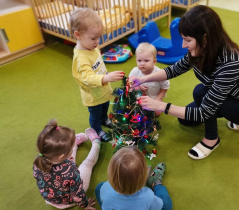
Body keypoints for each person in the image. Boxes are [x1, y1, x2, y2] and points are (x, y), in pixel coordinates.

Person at [130, 5, 239, 160]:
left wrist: (160, 106)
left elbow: (204, 112)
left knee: (202, 96)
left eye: (188, 40)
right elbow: (175, 69)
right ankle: (229, 114)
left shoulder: (230, 63)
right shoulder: (202, 50)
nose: (183, 45)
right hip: (228, 96)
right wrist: (143, 78)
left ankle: (212, 139)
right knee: (189, 111)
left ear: (205, 38)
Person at [70, 8, 124, 141]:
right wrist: (107, 78)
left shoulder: (91, 47)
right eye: (94, 38)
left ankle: (104, 119)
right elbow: (87, 78)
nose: (97, 41)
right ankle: (97, 130)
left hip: (103, 90)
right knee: (95, 114)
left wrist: (106, 78)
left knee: (105, 107)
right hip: (93, 96)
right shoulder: (81, 58)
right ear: (78, 35)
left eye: (99, 37)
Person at [33, 119, 102, 209]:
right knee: (87, 164)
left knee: (69, 157)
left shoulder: (38, 160)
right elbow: (77, 194)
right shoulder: (71, 171)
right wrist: (85, 205)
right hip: (68, 201)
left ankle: (73, 143)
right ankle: (96, 143)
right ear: (61, 156)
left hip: (49, 199)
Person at [95, 146, 173, 210]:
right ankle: (156, 184)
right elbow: (157, 206)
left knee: (98, 187)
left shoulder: (104, 187)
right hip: (148, 202)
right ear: (143, 178)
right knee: (166, 206)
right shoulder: (148, 195)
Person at [129, 42, 170, 116]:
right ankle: (140, 104)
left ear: (154, 62)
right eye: (139, 60)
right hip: (139, 97)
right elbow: (129, 82)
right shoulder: (135, 71)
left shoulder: (159, 73)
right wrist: (139, 87)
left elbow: (165, 87)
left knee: (157, 113)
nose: (142, 63)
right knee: (132, 109)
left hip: (154, 97)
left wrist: (158, 98)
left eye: (146, 61)